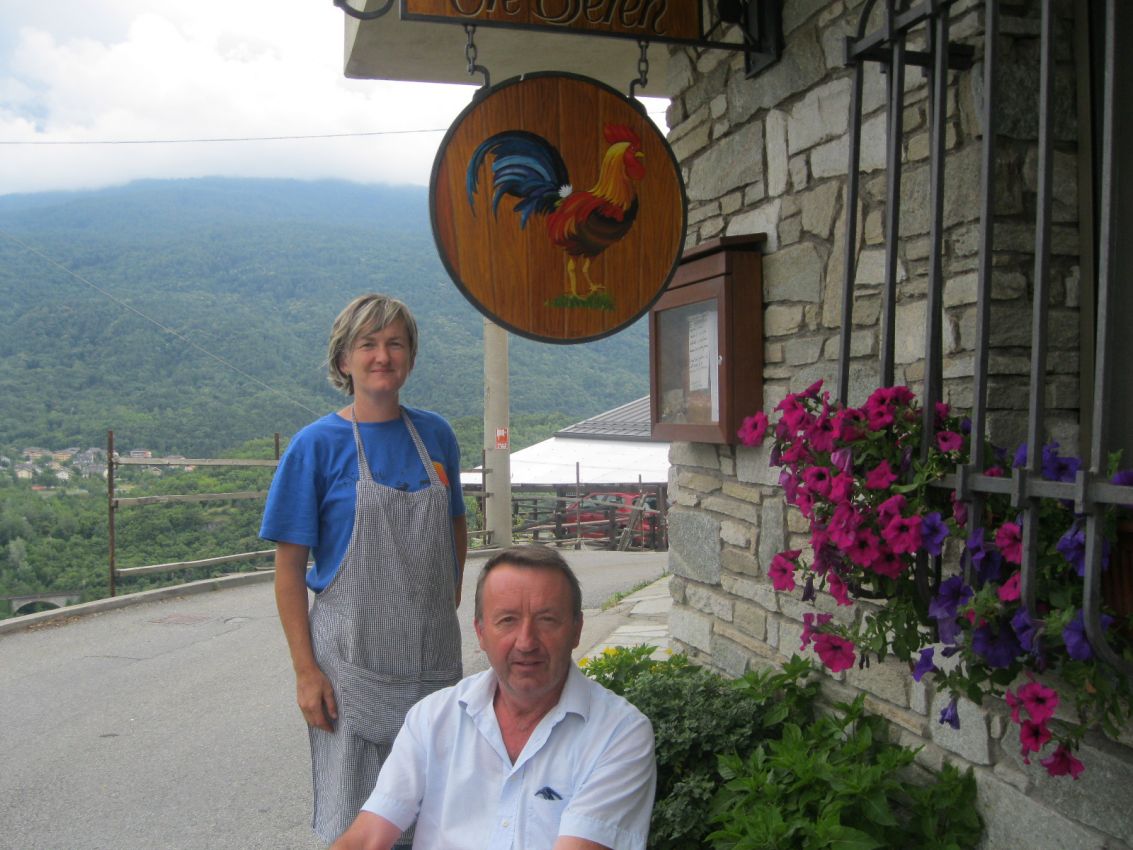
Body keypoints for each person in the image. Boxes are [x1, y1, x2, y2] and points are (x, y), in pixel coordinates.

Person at [260, 293, 466, 844]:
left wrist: (443, 602)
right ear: (343, 360)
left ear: (411, 357)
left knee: (438, 817)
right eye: (368, 344)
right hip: (349, 674)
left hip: (433, 669)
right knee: (358, 825)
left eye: (395, 343)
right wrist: (306, 672)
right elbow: (288, 571)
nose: (382, 355)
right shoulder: (314, 447)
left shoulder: (437, 436)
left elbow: (455, 526)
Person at [330, 545, 657, 850]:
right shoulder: (432, 718)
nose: (526, 642)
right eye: (507, 620)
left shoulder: (619, 733)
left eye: (547, 620)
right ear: (481, 633)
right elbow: (368, 836)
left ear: (576, 629)